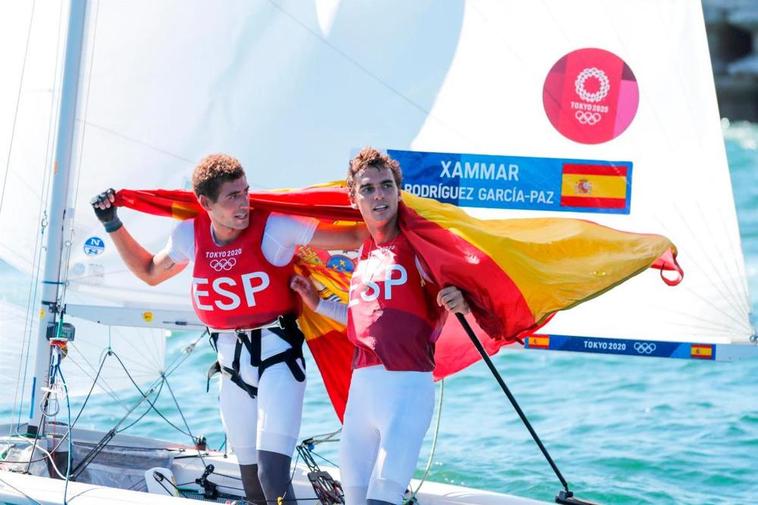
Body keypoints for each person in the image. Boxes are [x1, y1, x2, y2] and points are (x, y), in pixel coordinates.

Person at [91, 154, 366, 505]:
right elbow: (149, 272)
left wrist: (384, 208)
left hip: (278, 361)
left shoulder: (275, 226)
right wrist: (112, 223)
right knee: (251, 484)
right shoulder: (189, 235)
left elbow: (355, 236)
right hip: (231, 370)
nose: (244, 203)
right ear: (205, 203)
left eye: (246, 192)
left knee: (272, 474)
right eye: (232, 197)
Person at [290, 147, 470, 505]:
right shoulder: (366, 251)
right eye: (368, 188)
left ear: (399, 191)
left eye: (386, 186)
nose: (378, 195)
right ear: (354, 197)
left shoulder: (419, 245)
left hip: (406, 389)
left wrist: (460, 300)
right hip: (362, 390)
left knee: (381, 500)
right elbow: (367, 317)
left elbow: (465, 289)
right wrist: (319, 304)